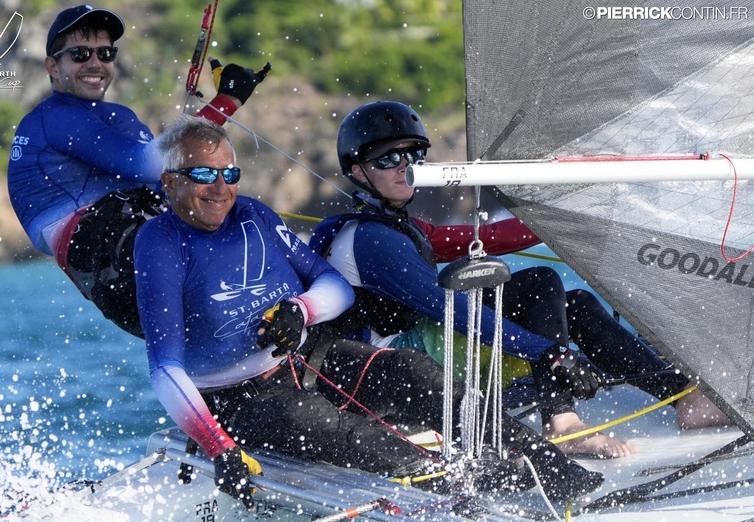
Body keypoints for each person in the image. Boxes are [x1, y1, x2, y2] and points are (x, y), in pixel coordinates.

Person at [133, 114, 604, 507]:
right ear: (170, 181)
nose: (219, 188)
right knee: (321, 423)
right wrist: (220, 448)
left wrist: (299, 309)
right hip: (236, 402)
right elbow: (164, 368)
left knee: (416, 374)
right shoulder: (160, 244)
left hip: (305, 360)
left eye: (229, 173)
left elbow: (333, 286)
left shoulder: (254, 216)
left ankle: (554, 470)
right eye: (202, 175)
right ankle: (469, 488)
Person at [310, 100, 729, 458]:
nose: (406, 168)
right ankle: (561, 421)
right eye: (387, 159)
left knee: (575, 304)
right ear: (358, 172)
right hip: (390, 378)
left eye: (414, 156)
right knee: (540, 282)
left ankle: (683, 398)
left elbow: (489, 237)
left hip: (425, 345)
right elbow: (450, 309)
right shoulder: (370, 239)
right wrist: (549, 353)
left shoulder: (401, 226)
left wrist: (580, 214)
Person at [7, 5, 267, 338]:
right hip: (107, 255)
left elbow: (166, 175)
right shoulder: (55, 117)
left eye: (105, 53)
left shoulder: (117, 116)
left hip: (129, 247)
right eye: (79, 53)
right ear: (53, 67)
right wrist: (225, 103)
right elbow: (148, 163)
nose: (95, 62)